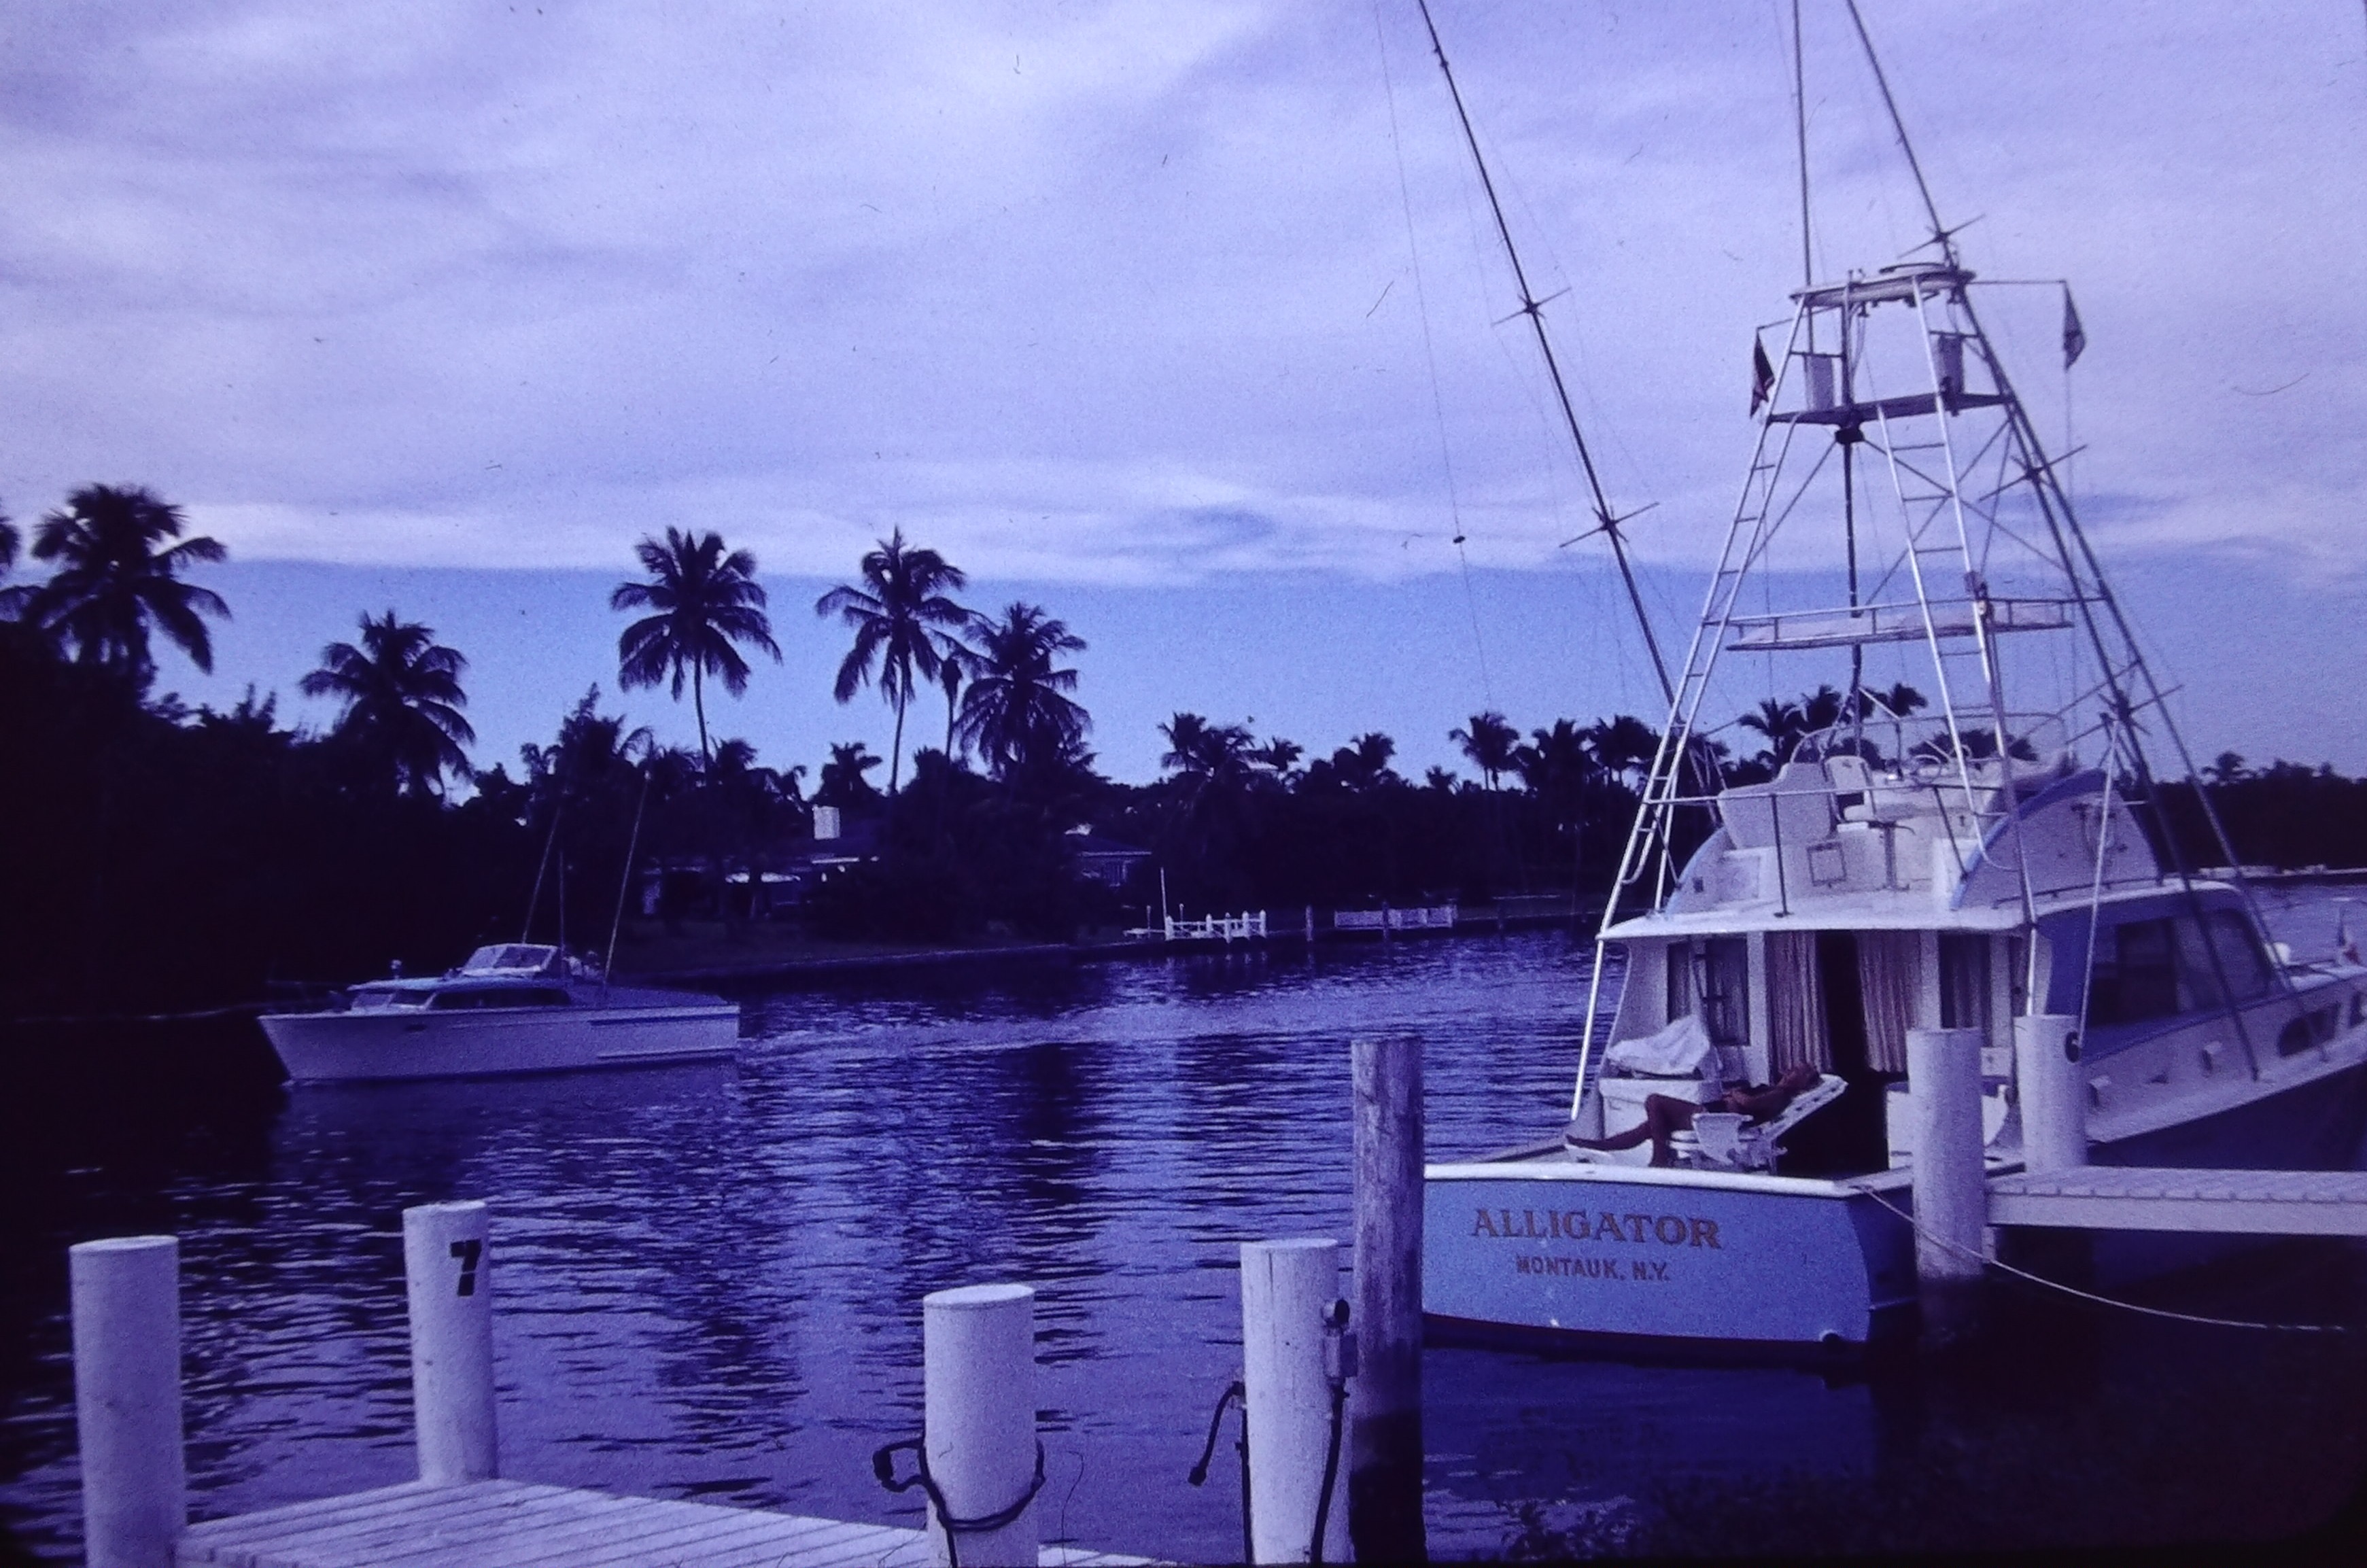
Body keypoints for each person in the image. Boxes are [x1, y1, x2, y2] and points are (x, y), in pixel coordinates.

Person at [1568, 1062, 1825, 1167]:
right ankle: (1597, 1145)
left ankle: (1660, 1158)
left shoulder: (1780, 1095)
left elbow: (1750, 1102)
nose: (1790, 1071)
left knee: (1655, 1102)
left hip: (1715, 1119)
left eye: (1797, 1072)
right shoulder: (1775, 1090)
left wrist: (1735, 1094)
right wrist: (1734, 1095)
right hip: (1715, 1115)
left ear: (1802, 1083)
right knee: (1647, 1129)